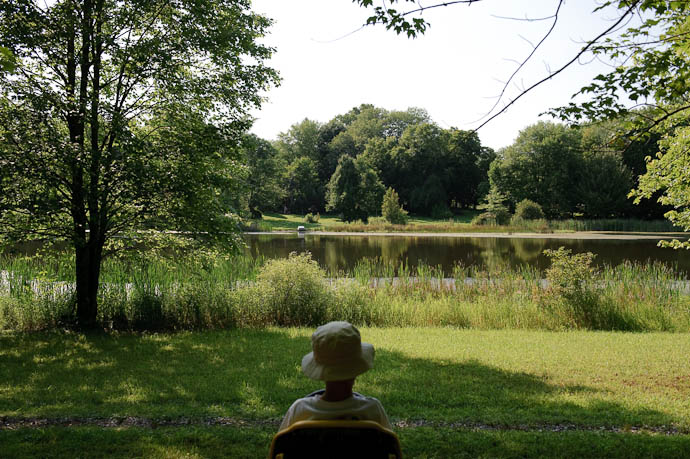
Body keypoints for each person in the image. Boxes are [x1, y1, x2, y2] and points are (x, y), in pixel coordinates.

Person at [279, 321, 393, 431]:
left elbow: (280, 447)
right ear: (356, 368)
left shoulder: (300, 410)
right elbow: (390, 446)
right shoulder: (372, 411)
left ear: (321, 370)